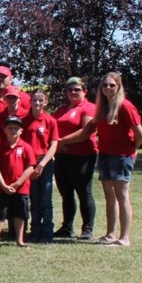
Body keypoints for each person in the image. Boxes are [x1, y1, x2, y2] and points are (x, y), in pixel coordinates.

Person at [80, 72, 142, 247]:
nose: (108, 88)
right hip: (105, 154)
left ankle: (124, 238)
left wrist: (132, 150)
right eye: (105, 85)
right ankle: (110, 234)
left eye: (112, 85)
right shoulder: (102, 107)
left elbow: (140, 134)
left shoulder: (125, 106)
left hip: (121, 156)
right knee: (110, 195)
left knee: (122, 195)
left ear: (118, 87)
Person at [0, 115, 36, 251]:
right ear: (5, 130)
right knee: (0, 216)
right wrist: (3, 185)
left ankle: (20, 240)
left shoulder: (26, 147)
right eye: (10, 128)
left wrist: (17, 183)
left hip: (21, 188)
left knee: (20, 214)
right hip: (3, 189)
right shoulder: (0, 148)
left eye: (16, 128)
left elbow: (30, 167)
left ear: (21, 131)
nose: (13, 131)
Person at [52, 76, 97, 240]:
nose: (73, 92)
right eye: (69, 89)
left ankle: (87, 229)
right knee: (66, 193)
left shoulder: (89, 108)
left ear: (84, 91)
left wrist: (62, 141)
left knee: (84, 193)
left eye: (77, 89)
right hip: (62, 156)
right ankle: (67, 227)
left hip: (82, 156)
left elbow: (86, 132)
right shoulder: (62, 109)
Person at [21, 89, 59, 243]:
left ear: (45, 102)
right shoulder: (24, 120)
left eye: (40, 100)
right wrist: (31, 165)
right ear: (30, 102)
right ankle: (34, 230)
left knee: (46, 199)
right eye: (34, 100)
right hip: (29, 164)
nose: (37, 103)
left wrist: (42, 164)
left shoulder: (50, 121)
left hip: (45, 163)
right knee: (33, 199)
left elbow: (53, 145)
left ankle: (47, 232)